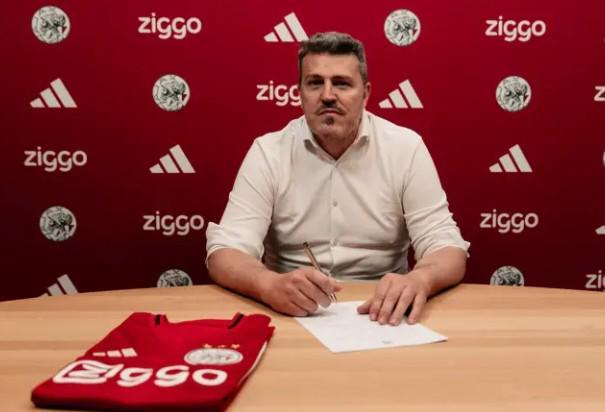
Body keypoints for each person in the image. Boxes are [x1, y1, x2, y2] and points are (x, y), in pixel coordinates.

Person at [206, 32, 469, 326]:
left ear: (365, 94)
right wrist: (269, 285)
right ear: (300, 92)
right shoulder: (269, 152)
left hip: (383, 315)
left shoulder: (405, 148)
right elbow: (225, 252)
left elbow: (446, 246)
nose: (328, 95)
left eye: (342, 83)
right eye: (315, 83)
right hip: (290, 313)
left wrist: (420, 280)